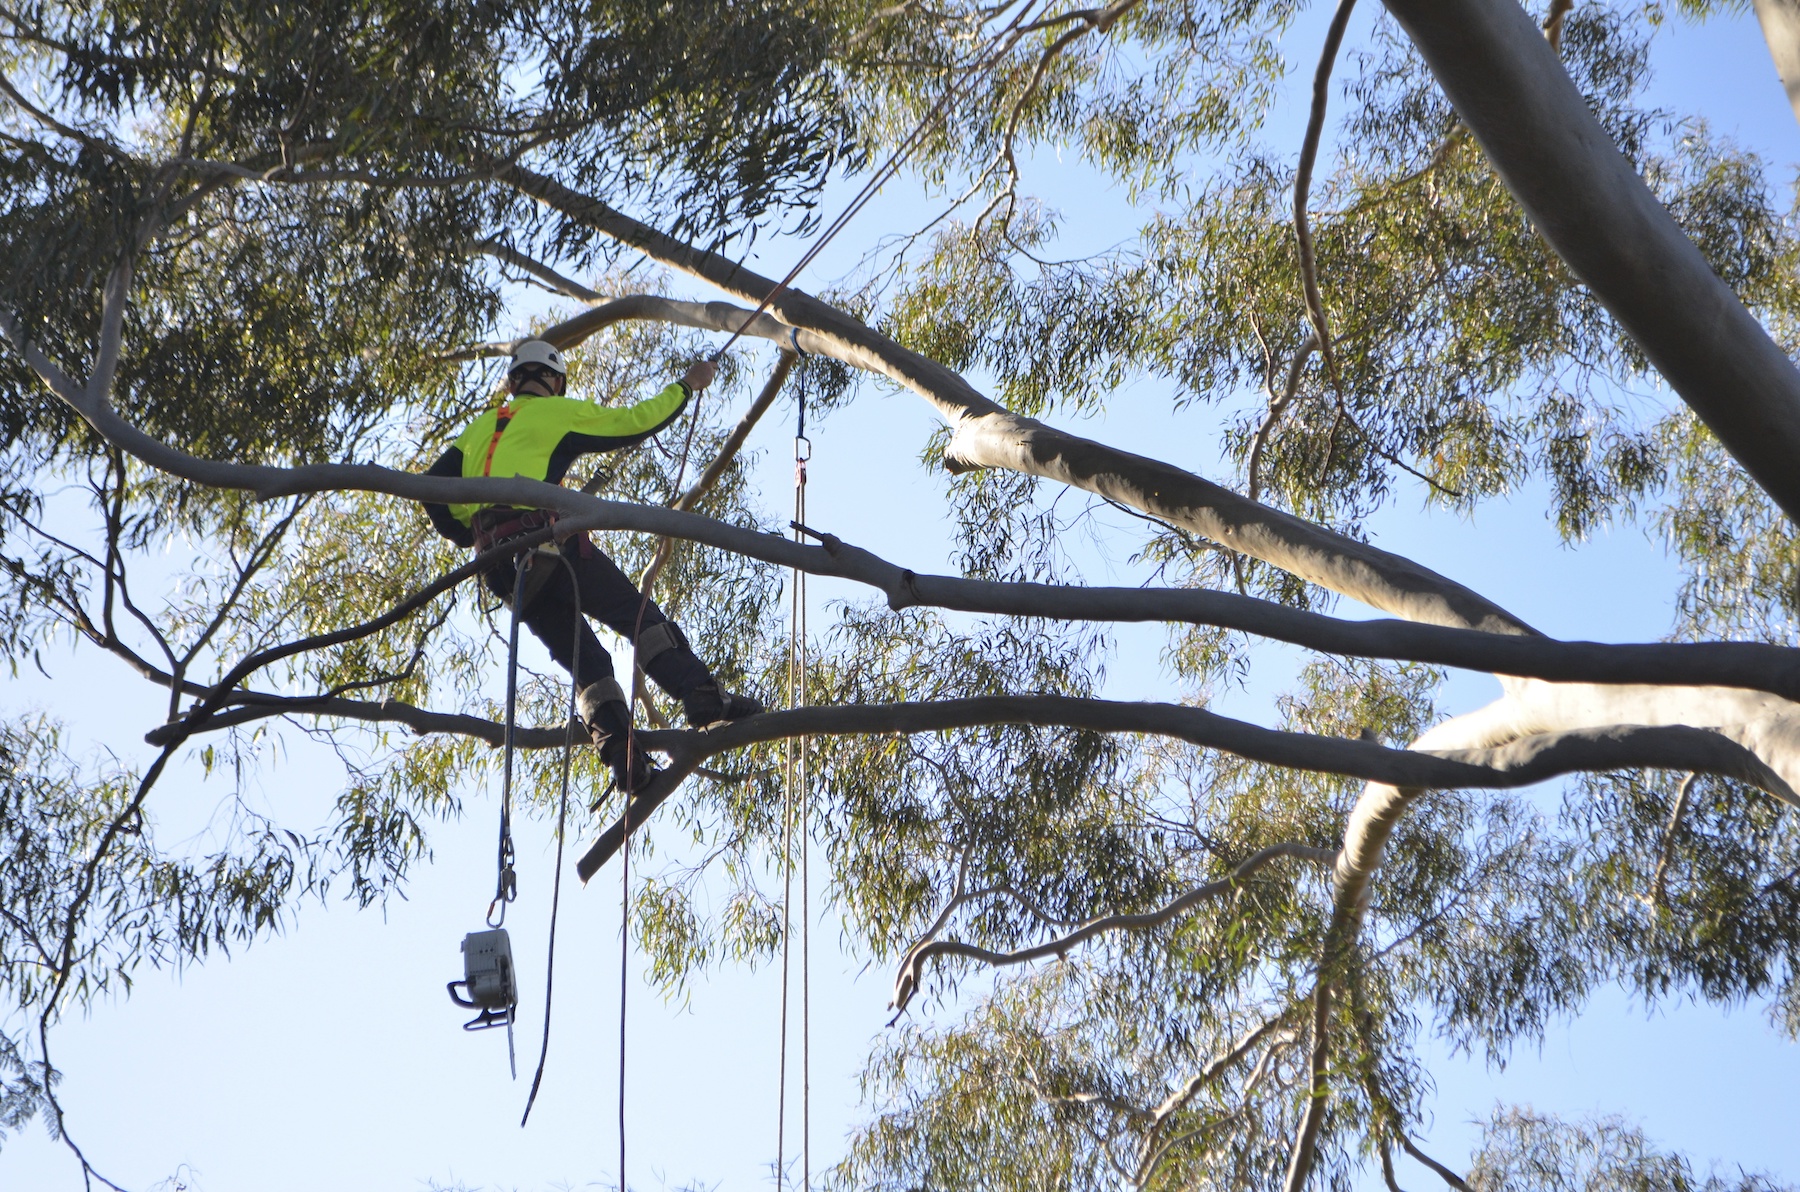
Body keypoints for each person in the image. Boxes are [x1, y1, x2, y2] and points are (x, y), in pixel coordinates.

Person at [422, 338, 764, 792]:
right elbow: (634, 423)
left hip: (501, 569)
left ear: (513, 382)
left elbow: (432, 488)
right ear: (555, 382)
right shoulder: (555, 412)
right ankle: (700, 695)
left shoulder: (480, 427)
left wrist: (472, 532)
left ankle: (624, 759)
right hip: (547, 544)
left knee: (586, 661)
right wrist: (686, 386)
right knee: (637, 616)